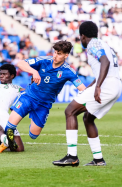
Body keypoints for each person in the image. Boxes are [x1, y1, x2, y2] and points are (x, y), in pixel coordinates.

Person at [0, 41, 86, 153]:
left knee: (33, 135)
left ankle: (29, 115)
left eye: (59, 54)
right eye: (55, 52)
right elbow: (20, 63)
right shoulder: (44, 61)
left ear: (66, 55)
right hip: (28, 97)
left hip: (44, 105)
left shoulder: (69, 71)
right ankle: (4, 142)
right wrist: (34, 72)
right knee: (11, 125)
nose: (55, 56)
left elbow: (82, 88)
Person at [53, 21, 122, 167]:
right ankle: (98, 160)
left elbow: (105, 62)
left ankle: (72, 156)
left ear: (83, 36)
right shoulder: (104, 44)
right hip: (115, 85)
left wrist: (97, 87)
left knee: (70, 111)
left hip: (106, 86)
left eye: (80, 38)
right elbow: (104, 67)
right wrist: (91, 86)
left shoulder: (92, 44)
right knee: (88, 118)